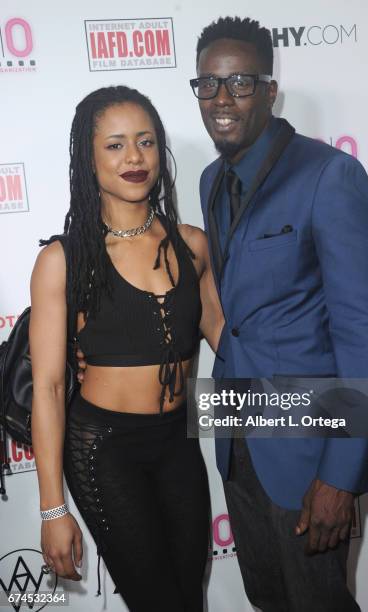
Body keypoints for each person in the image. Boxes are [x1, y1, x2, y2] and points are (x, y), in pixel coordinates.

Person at [190, 17, 368, 612]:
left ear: (270, 90)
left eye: (239, 82)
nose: (221, 99)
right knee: (267, 599)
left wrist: (341, 473)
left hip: (310, 454)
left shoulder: (328, 176)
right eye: (207, 83)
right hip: (238, 443)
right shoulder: (210, 181)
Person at [29, 85, 223, 612]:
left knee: (190, 597)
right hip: (104, 450)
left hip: (178, 442)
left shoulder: (193, 245)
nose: (134, 157)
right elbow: (47, 387)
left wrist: (320, 409)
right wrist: (53, 510)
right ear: (87, 159)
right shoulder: (64, 260)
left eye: (146, 141)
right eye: (115, 145)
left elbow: (229, 340)